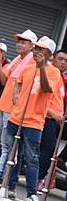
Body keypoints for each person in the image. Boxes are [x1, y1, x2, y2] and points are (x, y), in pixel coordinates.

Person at [0, 37, 63, 201]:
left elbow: (46, 88)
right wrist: (15, 95)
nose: (37, 52)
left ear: (49, 53)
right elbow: (18, 83)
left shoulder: (53, 72)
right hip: (16, 118)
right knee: (13, 155)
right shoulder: (27, 67)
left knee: (32, 158)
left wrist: (42, 67)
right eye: (36, 48)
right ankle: (9, 188)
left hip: (34, 121)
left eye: (41, 49)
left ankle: (31, 194)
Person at [0, 30, 37, 186]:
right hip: (3, 104)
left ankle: (0, 174)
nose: (19, 44)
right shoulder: (16, 60)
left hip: (13, 109)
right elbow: (3, 80)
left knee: (7, 145)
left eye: (23, 42)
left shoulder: (31, 63)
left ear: (31, 46)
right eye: (19, 41)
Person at [37, 49, 67, 189]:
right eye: (60, 59)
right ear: (53, 58)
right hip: (47, 117)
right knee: (47, 149)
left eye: (66, 61)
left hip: (56, 121)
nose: (63, 63)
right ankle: (38, 178)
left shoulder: (61, 77)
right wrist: (53, 114)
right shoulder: (49, 73)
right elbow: (41, 98)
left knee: (50, 150)